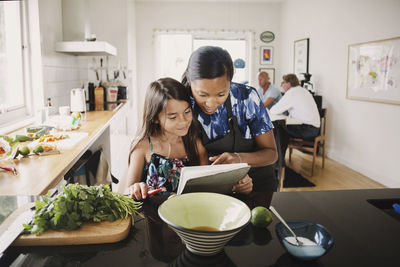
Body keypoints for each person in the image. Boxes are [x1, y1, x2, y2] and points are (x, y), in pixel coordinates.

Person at [182, 46, 278, 205]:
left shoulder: (246, 98)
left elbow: (271, 154)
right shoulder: (181, 103)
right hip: (209, 193)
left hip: (257, 187)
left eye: (221, 94)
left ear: (230, 82)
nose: (211, 104)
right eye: (202, 94)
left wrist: (239, 159)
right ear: (189, 80)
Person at [126, 78, 208, 200]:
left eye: (187, 112)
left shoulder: (196, 144)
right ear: (154, 118)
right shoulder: (142, 146)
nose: (183, 121)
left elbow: (207, 186)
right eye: (173, 117)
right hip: (152, 216)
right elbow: (127, 192)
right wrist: (135, 188)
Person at [270, 74, 320, 140]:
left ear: (288, 83)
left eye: (283, 83)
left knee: (276, 128)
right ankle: (279, 149)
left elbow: (273, 110)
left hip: (306, 130)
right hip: (315, 129)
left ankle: (277, 150)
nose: (281, 85)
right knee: (279, 127)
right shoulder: (303, 91)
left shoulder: (291, 93)